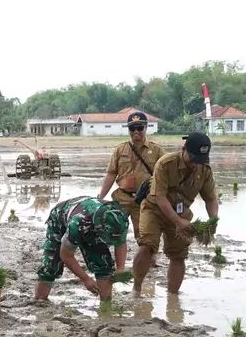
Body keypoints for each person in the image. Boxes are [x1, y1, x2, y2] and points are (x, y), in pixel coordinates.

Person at [132, 133, 218, 293]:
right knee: (147, 245)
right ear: (183, 149)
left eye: (199, 160)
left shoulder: (204, 170)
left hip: (181, 211)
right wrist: (178, 222)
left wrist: (213, 221)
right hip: (154, 209)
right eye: (192, 158)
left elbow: (211, 199)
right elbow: (160, 197)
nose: (194, 164)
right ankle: (137, 288)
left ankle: (173, 299)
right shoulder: (165, 164)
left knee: (178, 254)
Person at [34, 196, 129, 301]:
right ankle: (39, 300)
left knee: (103, 263)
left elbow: (121, 243)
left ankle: (106, 305)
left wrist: (120, 269)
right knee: (51, 264)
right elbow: (66, 255)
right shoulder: (77, 224)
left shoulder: (119, 220)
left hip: (93, 220)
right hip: (60, 218)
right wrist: (86, 279)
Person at [98, 111, 166, 239]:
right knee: (114, 233)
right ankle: (118, 259)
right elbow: (111, 174)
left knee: (144, 237)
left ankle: (145, 258)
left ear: (146, 128)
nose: (136, 131)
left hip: (144, 200)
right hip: (122, 199)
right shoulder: (120, 150)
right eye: (132, 128)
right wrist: (101, 197)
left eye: (140, 128)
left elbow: (166, 177)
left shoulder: (157, 151)